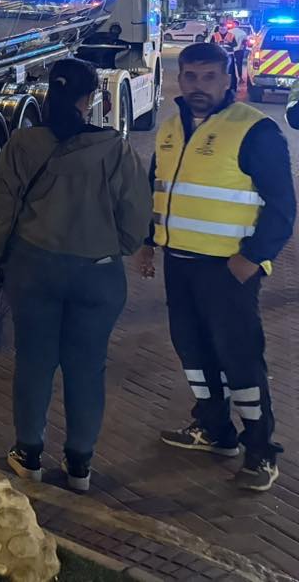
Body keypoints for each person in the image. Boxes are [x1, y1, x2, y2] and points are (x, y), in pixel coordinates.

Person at [0, 59, 150, 493]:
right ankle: (80, 464)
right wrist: (119, 245)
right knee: (87, 367)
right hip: (97, 275)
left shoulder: (22, 144)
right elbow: (135, 215)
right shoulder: (113, 148)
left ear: (48, 95)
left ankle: (29, 453)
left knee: (35, 362)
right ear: (89, 98)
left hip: (34, 269)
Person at [136, 42, 296, 491]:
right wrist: (149, 243)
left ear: (229, 79)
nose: (198, 86)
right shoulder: (170, 129)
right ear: (179, 79)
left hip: (228, 268)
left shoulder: (255, 131)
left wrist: (252, 258)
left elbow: (283, 207)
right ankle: (214, 430)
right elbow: (159, 190)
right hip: (180, 264)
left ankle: (261, 452)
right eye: (190, 76)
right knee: (193, 351)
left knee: (240, 358)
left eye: (209, 77)